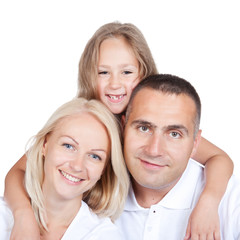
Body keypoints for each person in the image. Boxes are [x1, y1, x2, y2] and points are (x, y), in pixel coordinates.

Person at [4, 22, 233, 239]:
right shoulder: (81, 120)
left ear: (144, 74)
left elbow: (219, 158)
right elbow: (17, 173)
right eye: (103, 72)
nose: (115, 84)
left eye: (126, 72)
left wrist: (209, 202)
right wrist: (23, 215)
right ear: (89, 76)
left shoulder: (159, 124)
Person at [116, 74, 240, 239]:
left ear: (195, 142)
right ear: (123, 128)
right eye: (144, 128)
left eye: (174, 134)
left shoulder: (231, 201)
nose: (154, 150)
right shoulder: (92, 190)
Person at [0, 98, 129, 239]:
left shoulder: (105, 235)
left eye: (94, 156)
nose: (77, 166)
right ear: (45, 145)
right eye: (68, 146)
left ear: (103, 170)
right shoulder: (4, 216)